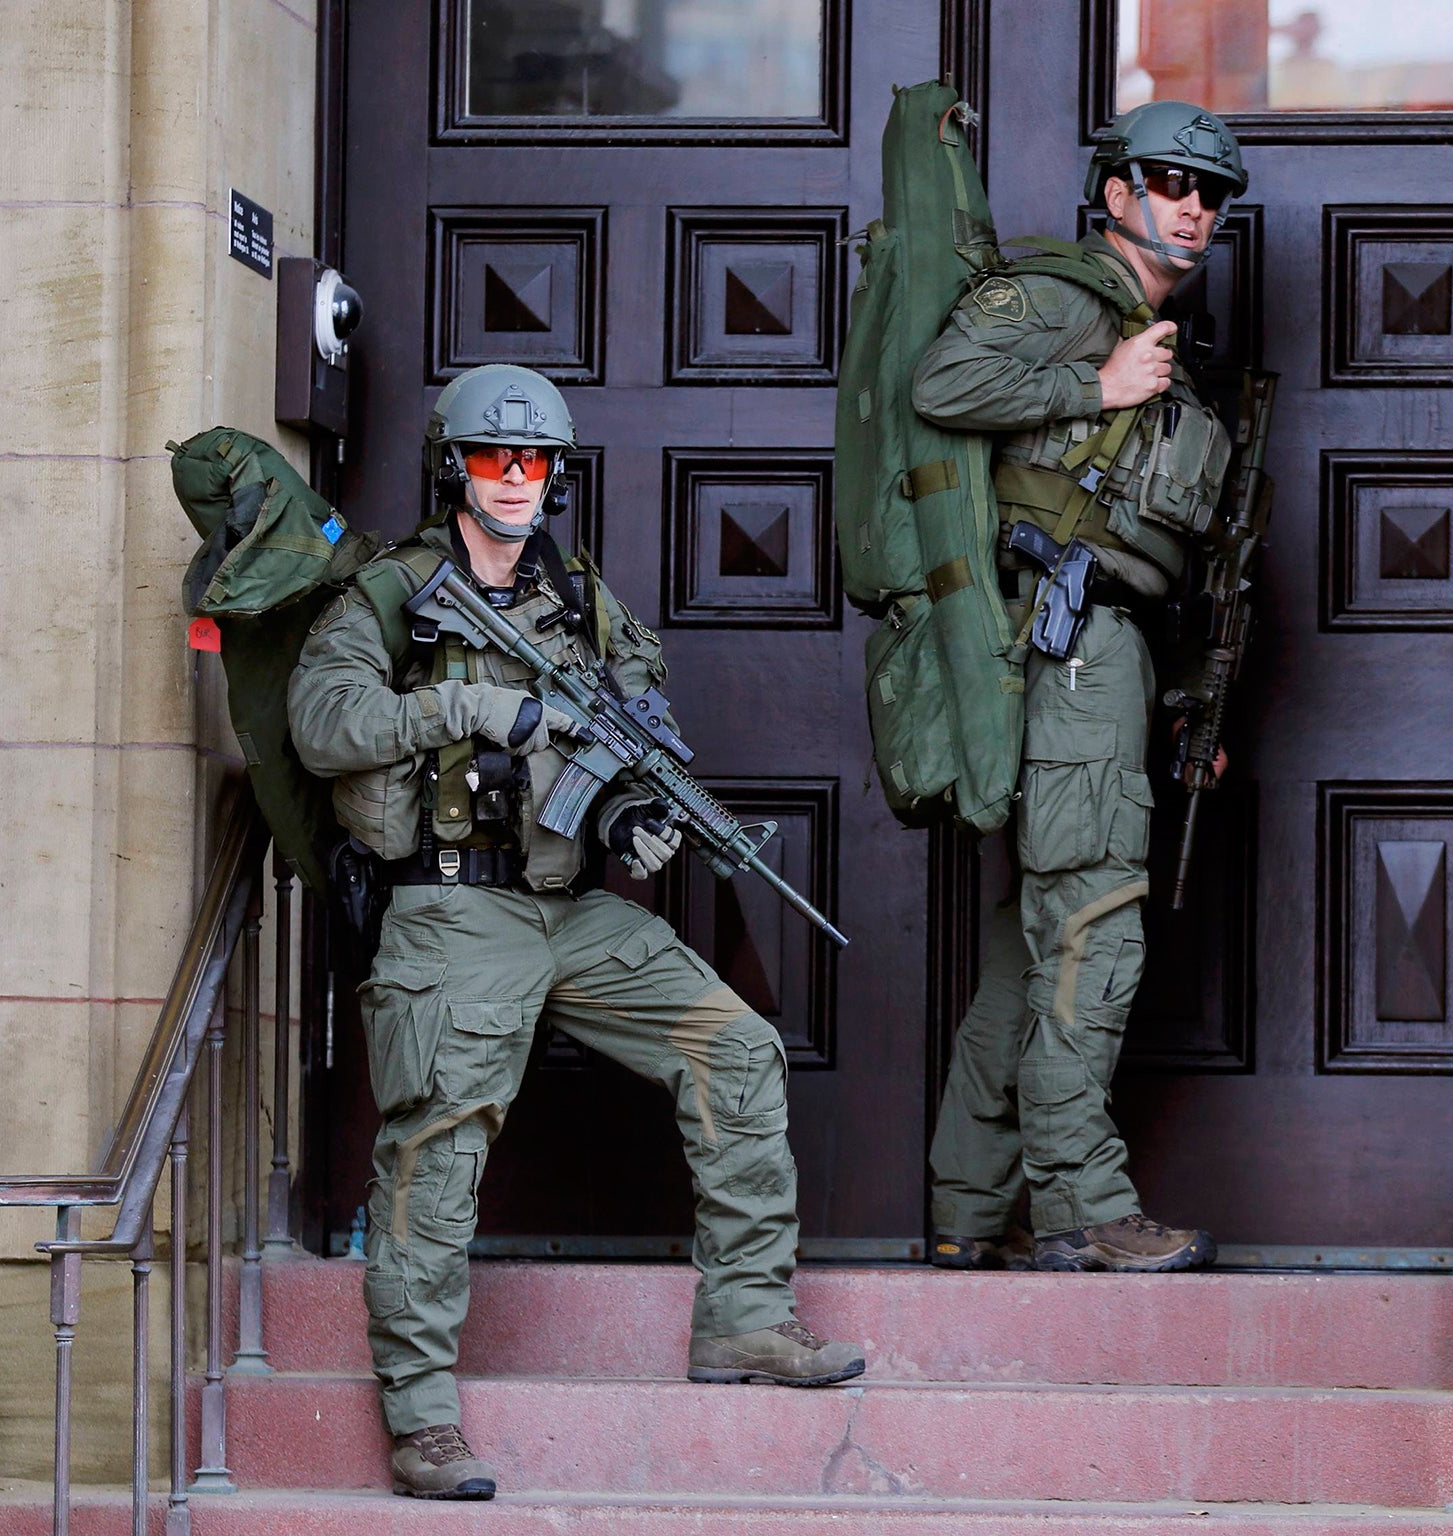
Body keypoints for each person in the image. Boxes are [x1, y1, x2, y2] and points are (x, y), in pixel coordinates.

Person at [287, 364, 864, 1501]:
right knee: (439, 1146)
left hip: (570, 912)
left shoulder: (580, 599)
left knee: (734, 1049)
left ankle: (743, 1322)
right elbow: (324, 725)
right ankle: (422, 1416)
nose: (515, 477)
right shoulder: (390, 596)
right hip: (452, 910)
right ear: (455, 465)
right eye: (495, 457)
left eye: (535, 460)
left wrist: (633, 813)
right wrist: (469, 704)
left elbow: (624, 727)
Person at [910, 102, 1247, 1275]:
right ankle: (1082, 1208)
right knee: (1090, 931)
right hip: (1059, 645)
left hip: (1107, 658)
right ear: (1115, 193)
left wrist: (1173, 707)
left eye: (1211, 191)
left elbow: (1149, 554)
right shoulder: (1067, 300)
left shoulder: (1154, 341)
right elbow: (944, 381)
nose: (1193, 204)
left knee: (1034, 940)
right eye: (1167, 180)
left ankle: (966, 1201)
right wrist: (1093, 383)